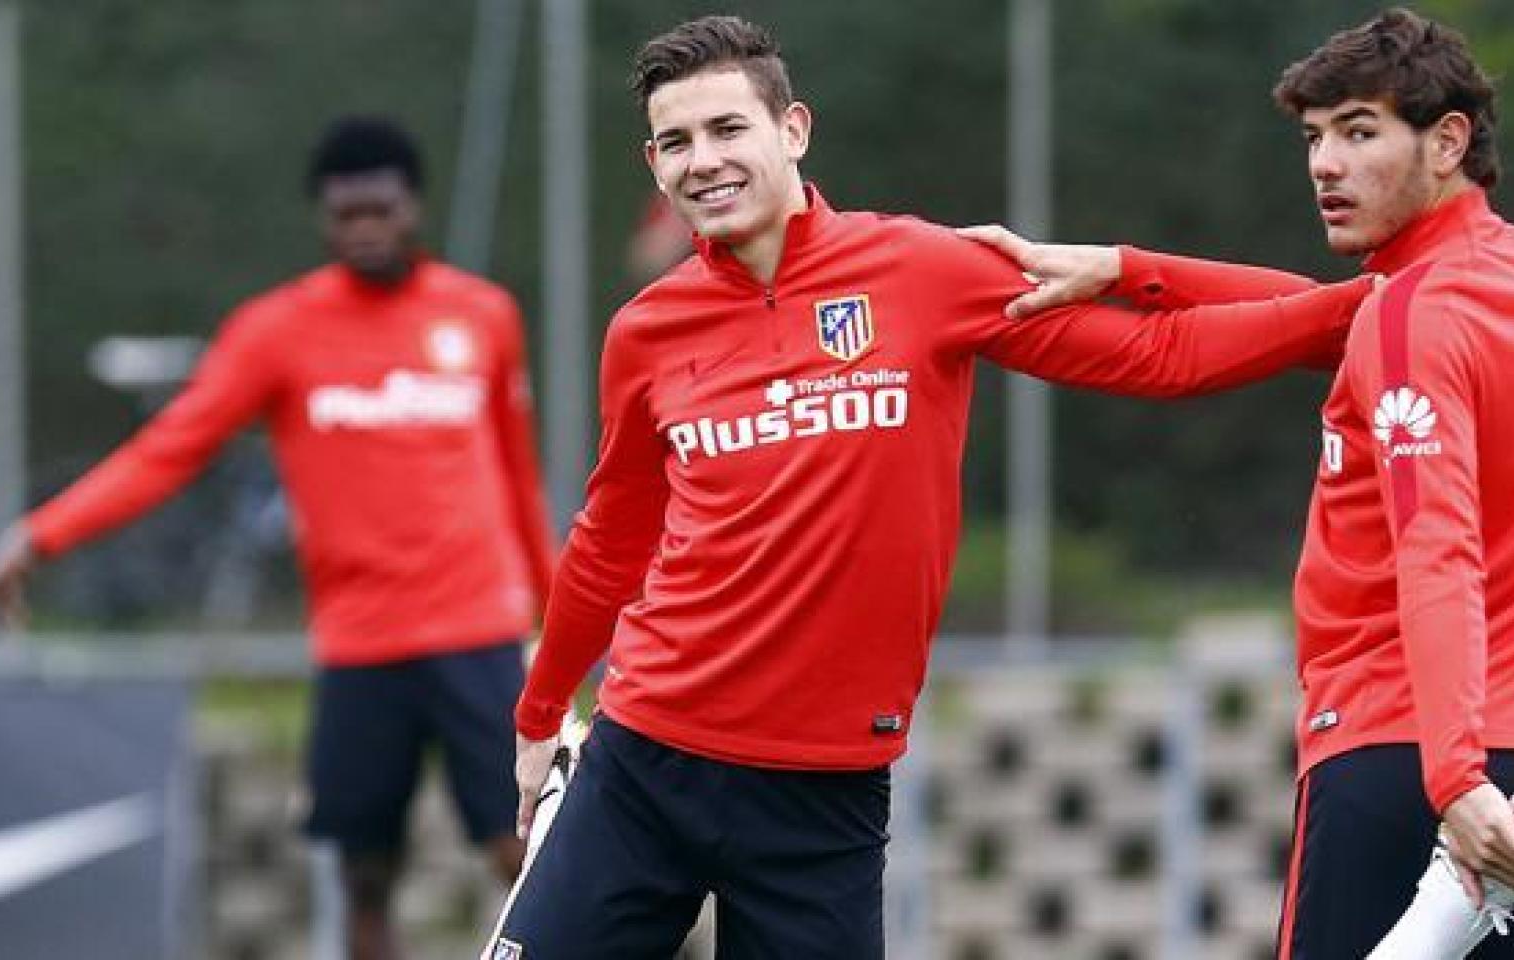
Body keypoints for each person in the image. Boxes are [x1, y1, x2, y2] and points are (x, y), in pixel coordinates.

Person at [483, 15, 1379, 960]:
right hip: (644, 759)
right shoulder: (646, 331)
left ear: (792, 130)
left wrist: (1371, 302)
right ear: (655, 166)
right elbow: (610, 537)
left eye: (727, 129)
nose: (703, 161)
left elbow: (1162, 356)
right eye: (676, 142)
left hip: (822, 790)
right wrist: (539, 714)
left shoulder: (920, 270)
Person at [966, 8, 1514, 959]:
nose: (1324, 165)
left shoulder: (1409, 322)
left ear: (1448, 142)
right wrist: (1126, 268)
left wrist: (1455, 782)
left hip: (1414, 765)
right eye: (1315, 139)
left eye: (1359, 133)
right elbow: (1273, 324)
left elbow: (1438, 548)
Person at [0, 117, 558, 960]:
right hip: (361, 647)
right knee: (365, 874)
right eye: (345, 214)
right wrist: (39, 536)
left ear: (413, 207)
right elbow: (167, 451)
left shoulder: (481, 316)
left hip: (480, 636)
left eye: (381, 209)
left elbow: (517, 479)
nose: (365, 228)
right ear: (324, 219)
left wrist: (559, 625)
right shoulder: (277, 332)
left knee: (528, 859)